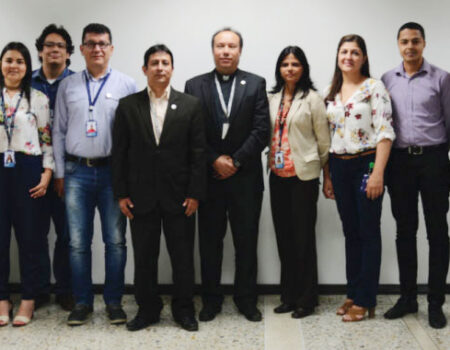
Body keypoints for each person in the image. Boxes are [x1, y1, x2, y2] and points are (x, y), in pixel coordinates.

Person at [112, 44, 206, 332]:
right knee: (144, 258)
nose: (160, 68)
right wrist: (121, 193)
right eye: (154, 63)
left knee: (182, 258)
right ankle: (147, 309)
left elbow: (198, 154)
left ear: (172, 69)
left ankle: (184, 310)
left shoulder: (190, 105)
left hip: (180, 197)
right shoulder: (128, 106)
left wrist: (194, 194)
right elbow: (120, 153)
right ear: (145, 69)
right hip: (141, 197)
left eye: (166, 63)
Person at [53, 23, 136, 326]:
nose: (97, 48)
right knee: (77, 243)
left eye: (103, 43)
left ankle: (114, 302)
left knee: (115, 241)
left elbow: (132, 138)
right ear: (83, 49)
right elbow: (59, 131)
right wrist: (60, 174)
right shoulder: (68, 85)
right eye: (91, 43)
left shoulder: (127, 85)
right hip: (76, 173)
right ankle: (82, 302)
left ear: (111, 48)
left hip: (113, 173)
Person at [185, 27, 270, 322]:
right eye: (220, 45)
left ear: (240, 50)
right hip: (208, 180)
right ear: (212, 50)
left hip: (245, 179)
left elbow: (262, 131)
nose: (225, 51)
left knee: (246, 241)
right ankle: (210, 299)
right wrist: (214, 160)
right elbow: (192, 135)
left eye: (231, 46)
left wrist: (234, 161)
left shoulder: (256, 84)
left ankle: (247, 300)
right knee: (209, 243)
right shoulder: (194, 86)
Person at [382, 22, 450, 329]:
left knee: (437, 232)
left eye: (415, 41)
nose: (410, 46)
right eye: (404, 41)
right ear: (398, 44)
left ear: (424, 43)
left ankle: (435, 302)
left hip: (434, 160)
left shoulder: (442, 78)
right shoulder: (387, 79)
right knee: (404, 231)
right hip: (400, 163)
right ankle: (407, 297)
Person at [324, 34, 395, 322]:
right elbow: (327, 137)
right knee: (350, 232)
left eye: (355, 52)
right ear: (338, 56)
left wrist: (378, 172)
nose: (349, 57)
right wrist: (327, 176)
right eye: (344, 51)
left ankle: (366, 299)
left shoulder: (374, 88)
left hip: (366, 164)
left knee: (368, 232)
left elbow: (385, 132)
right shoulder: (332, 91)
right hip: (339, 167)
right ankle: (353, 293)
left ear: (363, 57)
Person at [267, 46, 330, 319]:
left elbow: (324, 143)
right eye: (285, 64)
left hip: (303, 176)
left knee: (303, 238)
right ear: (279, 69)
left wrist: (326, 175)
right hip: (277, 176)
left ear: (303, 68)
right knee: (284, 238)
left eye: (295, 64)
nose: (290, 69)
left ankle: (307, 298)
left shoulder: (313, 99)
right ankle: (288, 296)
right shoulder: (271, 98)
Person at [0, 42, 54, 327]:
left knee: (30, 239)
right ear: (1, 64)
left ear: (26, 66)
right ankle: (3, 299)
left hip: (29, 169)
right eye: (9, 60)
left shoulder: (38, 99)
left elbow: (47, 140)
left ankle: (29, 298)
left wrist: (47, 174)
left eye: (20, 61)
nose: (13, 66)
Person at [32, 23, 75, 311]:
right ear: (40, 51)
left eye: (60, 45)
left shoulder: (77, 83)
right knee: (34, 232)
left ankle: (64, 289)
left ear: (69, 53)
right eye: (49, 45)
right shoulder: (26, 80)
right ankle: (37, 289)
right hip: (31, 168)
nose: (55, 49)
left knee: (68, 234)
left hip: (69, 171)